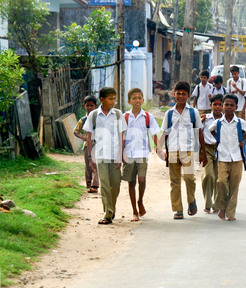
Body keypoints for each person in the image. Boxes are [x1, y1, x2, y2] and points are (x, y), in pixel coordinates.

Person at [161, 81, 206, 220]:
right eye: (178, 93)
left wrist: (203, 152)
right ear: (174, 94)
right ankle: (178, 209)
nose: (180, 96)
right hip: (173, 150)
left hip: (188, 151)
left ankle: (191, 201)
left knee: (188, 178)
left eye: (183, 94)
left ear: (188, 96)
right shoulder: (169, 114)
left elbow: (199, 132)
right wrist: (160, 149)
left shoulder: (193, 112)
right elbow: (165, 132)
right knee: (174, 181)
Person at [83, 87, 127, 225]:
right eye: (110, 99)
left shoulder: (118, 114)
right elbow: (89, 137)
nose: (113, 101)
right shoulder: (94, 115)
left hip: (115, 155)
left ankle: (111, 207)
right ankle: (107, 214)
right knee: (104, 184)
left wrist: (120, 156)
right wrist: (90, 158)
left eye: (114, 98)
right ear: (102, 100)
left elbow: (122, 136)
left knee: (115, 184)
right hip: (100, 155)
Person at [208, 94, 246, 221]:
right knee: (221, 182)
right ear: (222, 106)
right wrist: (218, 139)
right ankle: (221, 206)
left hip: (237, 157)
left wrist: (242, 139)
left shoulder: (239, 122)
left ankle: (230, 212)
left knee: (234, 185)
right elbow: (211, 130)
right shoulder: (218, 123)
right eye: (226, 104)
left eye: (231, 105)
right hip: (222, 157)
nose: (228, 107)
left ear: (236, 107)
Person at [122, 88, 162, 222]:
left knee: (142, 180)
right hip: (128, 153)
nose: (137, 100)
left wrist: (159, 147)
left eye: (139, 98)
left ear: (143, 100)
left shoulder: (148, 116)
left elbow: (154, 133)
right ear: (129, 101)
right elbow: (121, 136)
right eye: (134, 98)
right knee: (131, 182)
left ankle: (140, 201)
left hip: (143, 153)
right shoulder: (125, 117)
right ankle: (134, 211)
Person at [200, 94, 224, 214]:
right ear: (211, 105)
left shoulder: (226, 119)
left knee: (218, 178)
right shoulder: (205, 119)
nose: (217, 107)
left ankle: (216, 204)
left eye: (220, 104)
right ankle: (207, 203)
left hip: (221, 150)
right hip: (207, 149)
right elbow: (198, 134)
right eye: (215, 104)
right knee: (209, 175)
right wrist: (201, 152)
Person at [73, 95, 99, 193]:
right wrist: (84, 138)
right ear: (84, 106)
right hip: (87, 146)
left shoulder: (98, 118)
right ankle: (89, 184)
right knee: (88, 165)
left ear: (95, 106)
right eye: (87, 105)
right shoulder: (83, 120)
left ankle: (95, 185)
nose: (89, 108)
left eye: (91, 106)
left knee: (96, 164)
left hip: (97, 145)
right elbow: (75, 131)